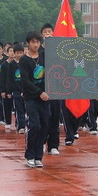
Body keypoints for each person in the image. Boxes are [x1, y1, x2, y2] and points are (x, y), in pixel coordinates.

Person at [19, 31, 49, 167]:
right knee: (34, 125)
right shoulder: (24, 60)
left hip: (45, 98)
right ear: (28, 43)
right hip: (31, 98)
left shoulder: (44, 57)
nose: (35, 44)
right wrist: (39, 92)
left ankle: (38, 156)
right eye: (33, 42)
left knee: (44, 126)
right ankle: (29, 154)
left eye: (38, 42)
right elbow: (25, 81)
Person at [40, 23, 60, 154]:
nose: (48, 34)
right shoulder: (38, 52)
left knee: (55, 118)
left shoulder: (59, 50)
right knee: (43, 118)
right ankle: (41, 141)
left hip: (56, 89)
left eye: (50, 32)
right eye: (45, 32)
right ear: (42, 35)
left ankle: (53, 145)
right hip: (42, 90)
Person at [6, 44, 26, 134]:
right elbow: (9, 79)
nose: (19, 55)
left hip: (26, 90)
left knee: (27, 109)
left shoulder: (26, 62)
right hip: (16, 91)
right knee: (19, 109)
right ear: (14, 53)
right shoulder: (11, 65)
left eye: (21, 53)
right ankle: (21, 126)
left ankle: (27, 124)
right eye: (17, 53)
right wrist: (9, 91)